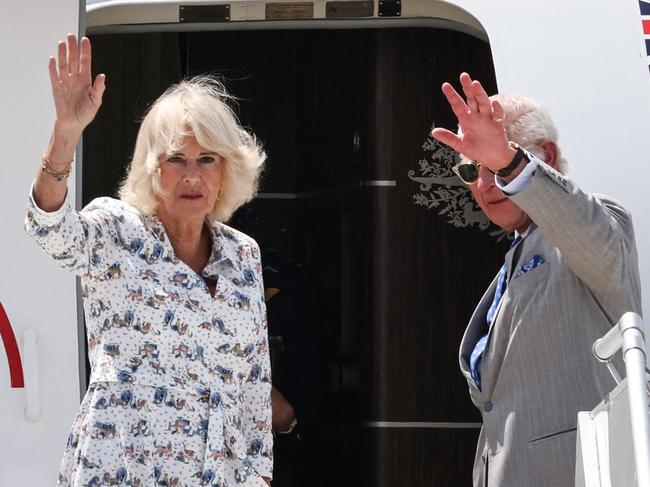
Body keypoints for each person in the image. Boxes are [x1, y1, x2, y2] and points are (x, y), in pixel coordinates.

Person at [26, 34, 272, 486]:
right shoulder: (116, 230)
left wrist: (258, 475)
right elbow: (51, 230)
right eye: (176, 159)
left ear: (226, 171)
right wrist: (65, 133)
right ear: (152, 169)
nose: (193, 175)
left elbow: (254, 387)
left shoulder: (243, 254)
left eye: (207, 159)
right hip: (120, 468)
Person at [431, 73, 642, 486]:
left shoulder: (593, 227)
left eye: (493, 165)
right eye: (473, 170)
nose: (485, 184)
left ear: (544, 154)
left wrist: (511, 164)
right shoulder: (516, 257)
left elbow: (591, 235)